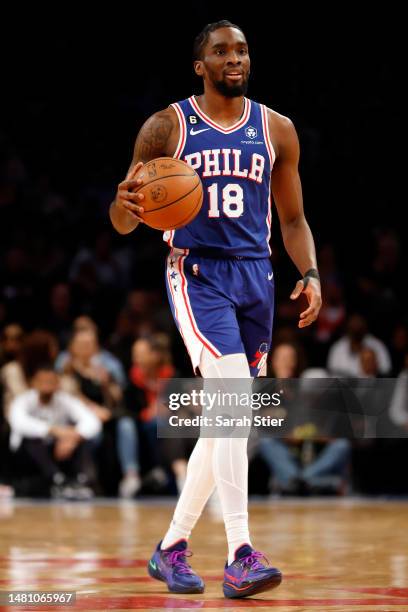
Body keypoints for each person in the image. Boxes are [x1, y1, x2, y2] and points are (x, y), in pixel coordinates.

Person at [109, 20, 322, 599]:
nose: (235, 58)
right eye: (221, 51)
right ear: (200, 65)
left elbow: (295, 220)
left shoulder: (277, 128)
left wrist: (310, 273)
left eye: (242, 50)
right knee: (230, 409)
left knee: (229, 422)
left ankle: (171, 546)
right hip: (198, 270)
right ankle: (240, 553)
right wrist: (123, 205)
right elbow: (125, 217)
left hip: (257, 274)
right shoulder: (166, 126)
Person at [8, 365, 101, 499]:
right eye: (42, 381)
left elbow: (92, 421)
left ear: (58, 383)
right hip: (27, 456)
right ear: (33, 383)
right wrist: (53, 430)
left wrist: (74, 437)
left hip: (59, 451)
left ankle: (82, 481)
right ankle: (57, 480)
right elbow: (19, 423)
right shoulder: (22, 401)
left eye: (50, 381)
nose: (46, 385)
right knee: (33, 439)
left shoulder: (66, 400)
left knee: (82, 437)